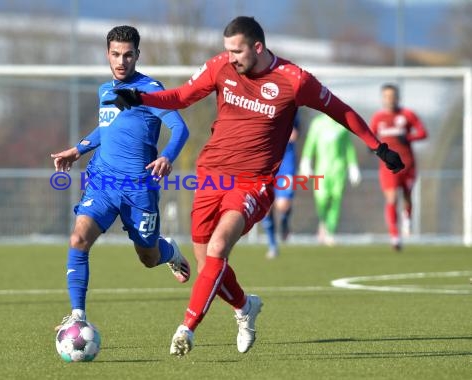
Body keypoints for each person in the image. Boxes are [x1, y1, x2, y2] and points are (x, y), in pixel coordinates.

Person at [103, 16, 404, 356]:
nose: (230, 57)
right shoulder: (220, 67)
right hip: (211, 175)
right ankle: (245, 308)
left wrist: (377, 146)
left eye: (237, 51)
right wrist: (142, 99)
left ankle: (186, 328)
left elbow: (340, 110)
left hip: (253, 182)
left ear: (257, 47)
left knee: (218, 248)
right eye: (227, 50)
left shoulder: (294, 80)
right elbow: (183, 96)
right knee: (208, 265)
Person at [50, 25, 191, 330]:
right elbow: (108, 127)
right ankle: (77, 317)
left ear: (137, 55)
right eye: (115, 54)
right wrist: (78, 149)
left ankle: (170, 250)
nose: (121, 61)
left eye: (128, 55)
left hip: (139, 189)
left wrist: (166, 156)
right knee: (78, 238)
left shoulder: (151, 90)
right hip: (103, 181)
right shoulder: (105, 90)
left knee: (148, 257)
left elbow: (181, 129)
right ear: (107, 54)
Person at [369, 83, 427, 250]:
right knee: (392, 198)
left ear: (398, 98)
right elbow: (370, 136)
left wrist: (408, 138)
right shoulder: (378, 118)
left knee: (407, 196)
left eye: (392, 96)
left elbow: (423, 133)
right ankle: (395, 236)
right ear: (382, 99)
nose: (390, 100)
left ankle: (407, 218)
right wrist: (371, 147)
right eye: (386, 96)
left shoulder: (407, 115)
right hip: (388, 167)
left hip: (408, 165)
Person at [299, 113, 362, 246]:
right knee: (321, 198)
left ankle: (330, 231)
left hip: (339, 170)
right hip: (321, 169)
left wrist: (353, 166)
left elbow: (348, 147)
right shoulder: (317, 124)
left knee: (336, 199)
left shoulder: (342, 125)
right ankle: (323, 221)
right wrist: (305, 161)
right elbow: (310, 144)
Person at [262, 113, 301, 259]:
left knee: (282, 205)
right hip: (265, 162)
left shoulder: (291, 106)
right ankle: (272, 245)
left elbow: (295, 133)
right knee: (266, 208)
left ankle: (284, 220)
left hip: (286, 162)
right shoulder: (257, 104)